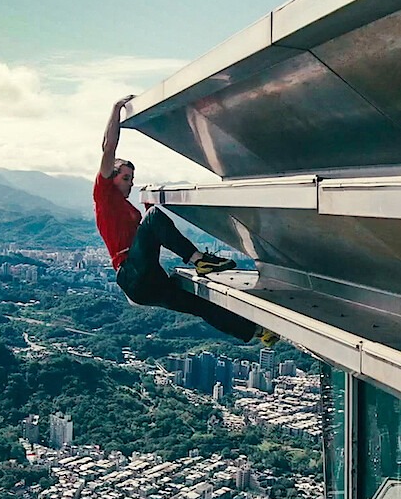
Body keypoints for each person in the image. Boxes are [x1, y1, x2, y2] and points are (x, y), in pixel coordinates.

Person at [94, 95, 279, 346]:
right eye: (126, 178)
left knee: (200, 303)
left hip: (148, 279)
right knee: (154, 217)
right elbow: (109, 146)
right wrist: (116, 109)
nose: (130, 183)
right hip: (132, 273)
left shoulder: (126, 209)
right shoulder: (104, 195)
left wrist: (150, 207)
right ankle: (198, 260)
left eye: (131, 178)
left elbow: (145, 238)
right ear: (111, 177)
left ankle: (257, 332)